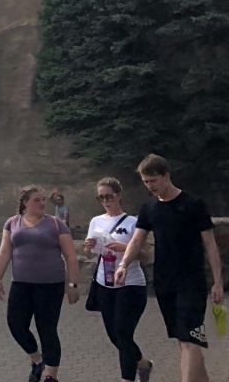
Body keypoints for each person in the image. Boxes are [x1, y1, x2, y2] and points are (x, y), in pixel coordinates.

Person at [116, 154, 223, 382]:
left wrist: (217, 282)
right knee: (183, 341)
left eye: (153, 180)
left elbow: (210, 246)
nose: (149, 186)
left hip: (191, 282)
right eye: (145, 181)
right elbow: (137, 240)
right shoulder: (149, 207)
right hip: (164, 281)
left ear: (166, 176)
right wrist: (124, 263)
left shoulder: (193, 204)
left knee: (189, 340)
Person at [0, 185, 79, 382]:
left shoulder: (56, 224)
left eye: (43, 200)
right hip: (21, 285)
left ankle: (51, 376)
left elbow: (71, 255)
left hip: (50, 286)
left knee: (47, 329)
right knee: (16, 324)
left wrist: (72, 284)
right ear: (25, 203)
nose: (42, 203)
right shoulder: (12, 223)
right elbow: (4, 252)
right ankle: (37, 359)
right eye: (37, 200)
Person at [83, 177, 153, 382]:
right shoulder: (96, 221)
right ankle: (143, 364)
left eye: (109, 196)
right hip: (105, 283)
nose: (105, 201)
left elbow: (146, 256)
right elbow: (89, 255)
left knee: (123, 333)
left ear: (118, 195)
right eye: (101, 197)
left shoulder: (133, 222)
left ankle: (127, 378)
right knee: (114, 335)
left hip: (130, 284)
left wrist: (125, 248)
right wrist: (88, 247)